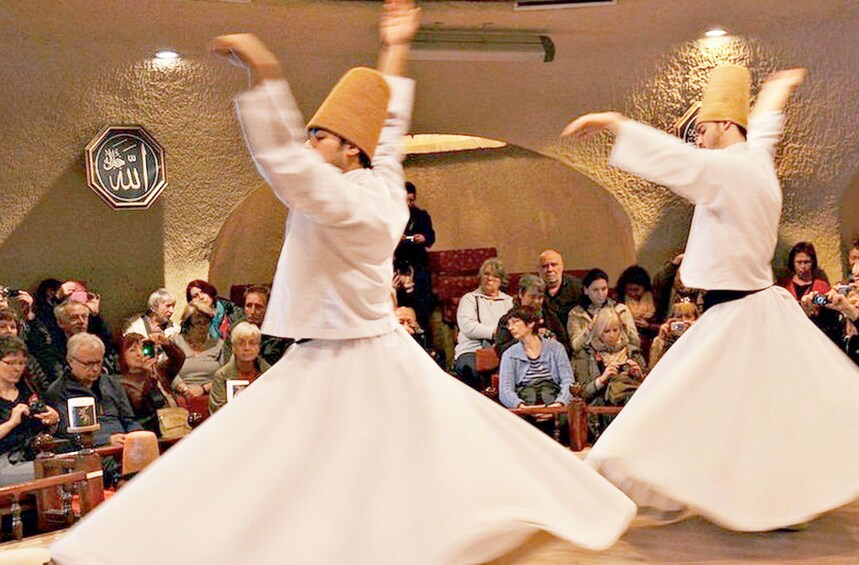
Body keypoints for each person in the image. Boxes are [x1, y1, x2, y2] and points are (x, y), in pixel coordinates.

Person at [50, 4, 634, 563]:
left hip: (341, 356)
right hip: (371, 349)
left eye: (321, 137)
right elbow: (389, 125)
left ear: (347, 150)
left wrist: (265, 72)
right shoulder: (378, 183)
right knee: (370, 459)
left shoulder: (340, 199)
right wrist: (395, 46)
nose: (311, 145)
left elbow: (283, 161)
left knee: (248, 456)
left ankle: (144, 545)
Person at [563, 65, 859, 531]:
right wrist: (776, 92)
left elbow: (678, 162)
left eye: (700, 128)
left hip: (738, 312)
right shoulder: (756, 162)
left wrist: (615, 124)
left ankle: (627, 477)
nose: (696, 138)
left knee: (674, 398)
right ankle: (757, 497)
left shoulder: (726, 169)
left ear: (723, 125)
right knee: (754, 412)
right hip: (753, 308)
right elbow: (762, 131)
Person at [46, 333, 143, 447]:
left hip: (125, 444)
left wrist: (137, 435)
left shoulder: (111, 384)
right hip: (92, 450)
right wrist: (107, 440)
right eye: (88, 364)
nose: (95, 369)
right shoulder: (58, 391)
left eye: (98, 362)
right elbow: (67, 434)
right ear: (70, 360)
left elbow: (129, 420)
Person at [577, 307, 646, 438]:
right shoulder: (585, 354)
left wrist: (639, 376)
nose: (612, 335)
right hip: (601, 410)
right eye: (607, 331)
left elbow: (650, 386)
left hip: (630, 403)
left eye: (616, 330)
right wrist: (602, 380)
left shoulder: (632, 352)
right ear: (598, 332)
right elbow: (581, 393)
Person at [0, 336, 60, 486]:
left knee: (67, 465)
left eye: (21, 363)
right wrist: (11, 423)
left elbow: (42, 428)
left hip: (31, 456)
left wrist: (53, 419)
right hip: (3, 461)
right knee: (52, 472)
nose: (17, 368)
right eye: (10, 363)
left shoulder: (27, 391)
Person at [498, 306, 574, 410]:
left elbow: (568, 381)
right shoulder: (509, 354)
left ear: (530, 323)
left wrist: (559, 404)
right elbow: (505, 390)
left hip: (553, 398)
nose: (510, 327)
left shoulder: (556, 348)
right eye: (509, 324)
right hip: (525, 401)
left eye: (515, 322)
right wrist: (521, 407)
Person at [453, 258, 513, 390]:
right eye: (486, 274)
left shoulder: (509, 302)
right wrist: (496, 333)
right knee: (472, 371)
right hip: (471, 351)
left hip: (501, 351)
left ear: (501, 280)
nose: (490, 279)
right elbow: (468, 327)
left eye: (495, 276)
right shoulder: (470, 299)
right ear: (480, 277)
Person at [117, 332, 184, 435]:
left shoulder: (159, 371)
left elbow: (178, 359)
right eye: (132, 350)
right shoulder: (122, 382)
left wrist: (166, 343)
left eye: (142, 348)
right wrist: (146, 376)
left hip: (176, 425)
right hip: (150, 432)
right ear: (123, 356)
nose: (140, 353)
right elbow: (140, 403)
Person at [393, 181, 436, 325]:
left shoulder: (421, 216)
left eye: (412, 200)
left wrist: (423, 237)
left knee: (422, 300)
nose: (409, 204)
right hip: (397, 261)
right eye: (406, 200)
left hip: (418, 261)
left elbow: (430, 236)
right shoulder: (390, 215)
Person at [494, 273, 569, 356]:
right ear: (521, 294)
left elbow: (566, 347)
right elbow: (501, 351)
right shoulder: (508, 320)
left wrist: (553, 342)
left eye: (540, 297)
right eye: (532, 297)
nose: (536, 301)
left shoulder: (550, 317)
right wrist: (528, 337)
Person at [209, 322, 271, 413]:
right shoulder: (221, 376)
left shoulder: (269, 373)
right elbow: (218, 413)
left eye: (252, 343)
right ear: (233, 347)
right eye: (241, 343)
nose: (247, 348)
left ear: (259, 348)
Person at [170, 306, 225, 398]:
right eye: (198, 323)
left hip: (211, 394)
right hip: (180, 394)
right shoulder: (176, 343)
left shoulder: (219, 345)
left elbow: (225, 375)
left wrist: (203, 389)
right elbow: (167, 371)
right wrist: (185, 390)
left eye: (206, 322)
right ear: (188, 325)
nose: (203, 327)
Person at [538, 249, 583, 328]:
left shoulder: (578, 288)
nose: (550, 269)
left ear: (562, 266)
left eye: (554, 265)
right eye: (545, 266)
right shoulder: (533, 290)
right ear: (539, 270)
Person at [648, 299, 699, 368]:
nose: (683, 320)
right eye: (678, 317)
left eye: (688, 317)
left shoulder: (701, 335)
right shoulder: (667, 335)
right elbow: (654, 364)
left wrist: (698, 330)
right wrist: (661, 339)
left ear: (696, 318)